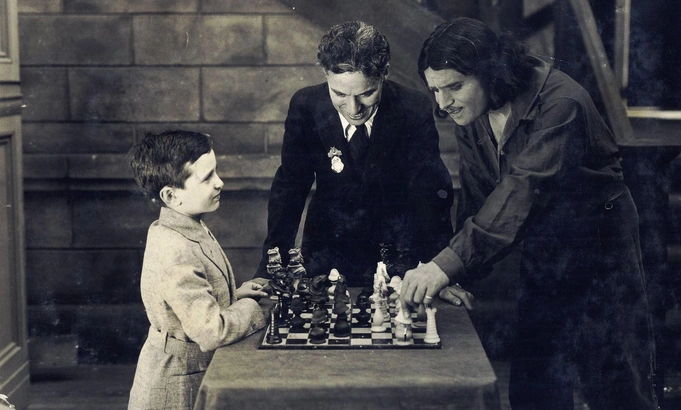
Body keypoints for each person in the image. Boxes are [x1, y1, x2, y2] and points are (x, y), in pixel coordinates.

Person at [399, 17, 659, 410]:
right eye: (435, 89)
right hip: (545, 247)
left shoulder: (563, 103)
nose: (442, 102)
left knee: (615, 385)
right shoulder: (469, 112)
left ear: (491, 71)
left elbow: (521, 189)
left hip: (600, 247)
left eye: (454, 86)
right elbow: (479, 200)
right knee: (535, 387)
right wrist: (455, 273)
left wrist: (443, 266)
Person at [254, 21, 454, 287]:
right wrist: (270, 269)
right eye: (339, 94)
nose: (353, 108)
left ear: (384, 73)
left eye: (366, 93)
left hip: (397, 255)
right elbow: (289, 190)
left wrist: (439, 269)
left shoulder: (412, 108)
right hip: (325, 253)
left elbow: (431, 194)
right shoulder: (306, 105)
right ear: (325, 73)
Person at [127, 130, 268, 410]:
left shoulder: (182, 224)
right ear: (171, 195)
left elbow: (190, 302)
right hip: (178, 385)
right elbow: (211, 331)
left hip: (189, 370)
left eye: (216, 171)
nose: (220, 182)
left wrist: (235, 296)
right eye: (207, 178)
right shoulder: (176, 249)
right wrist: (253, 308)